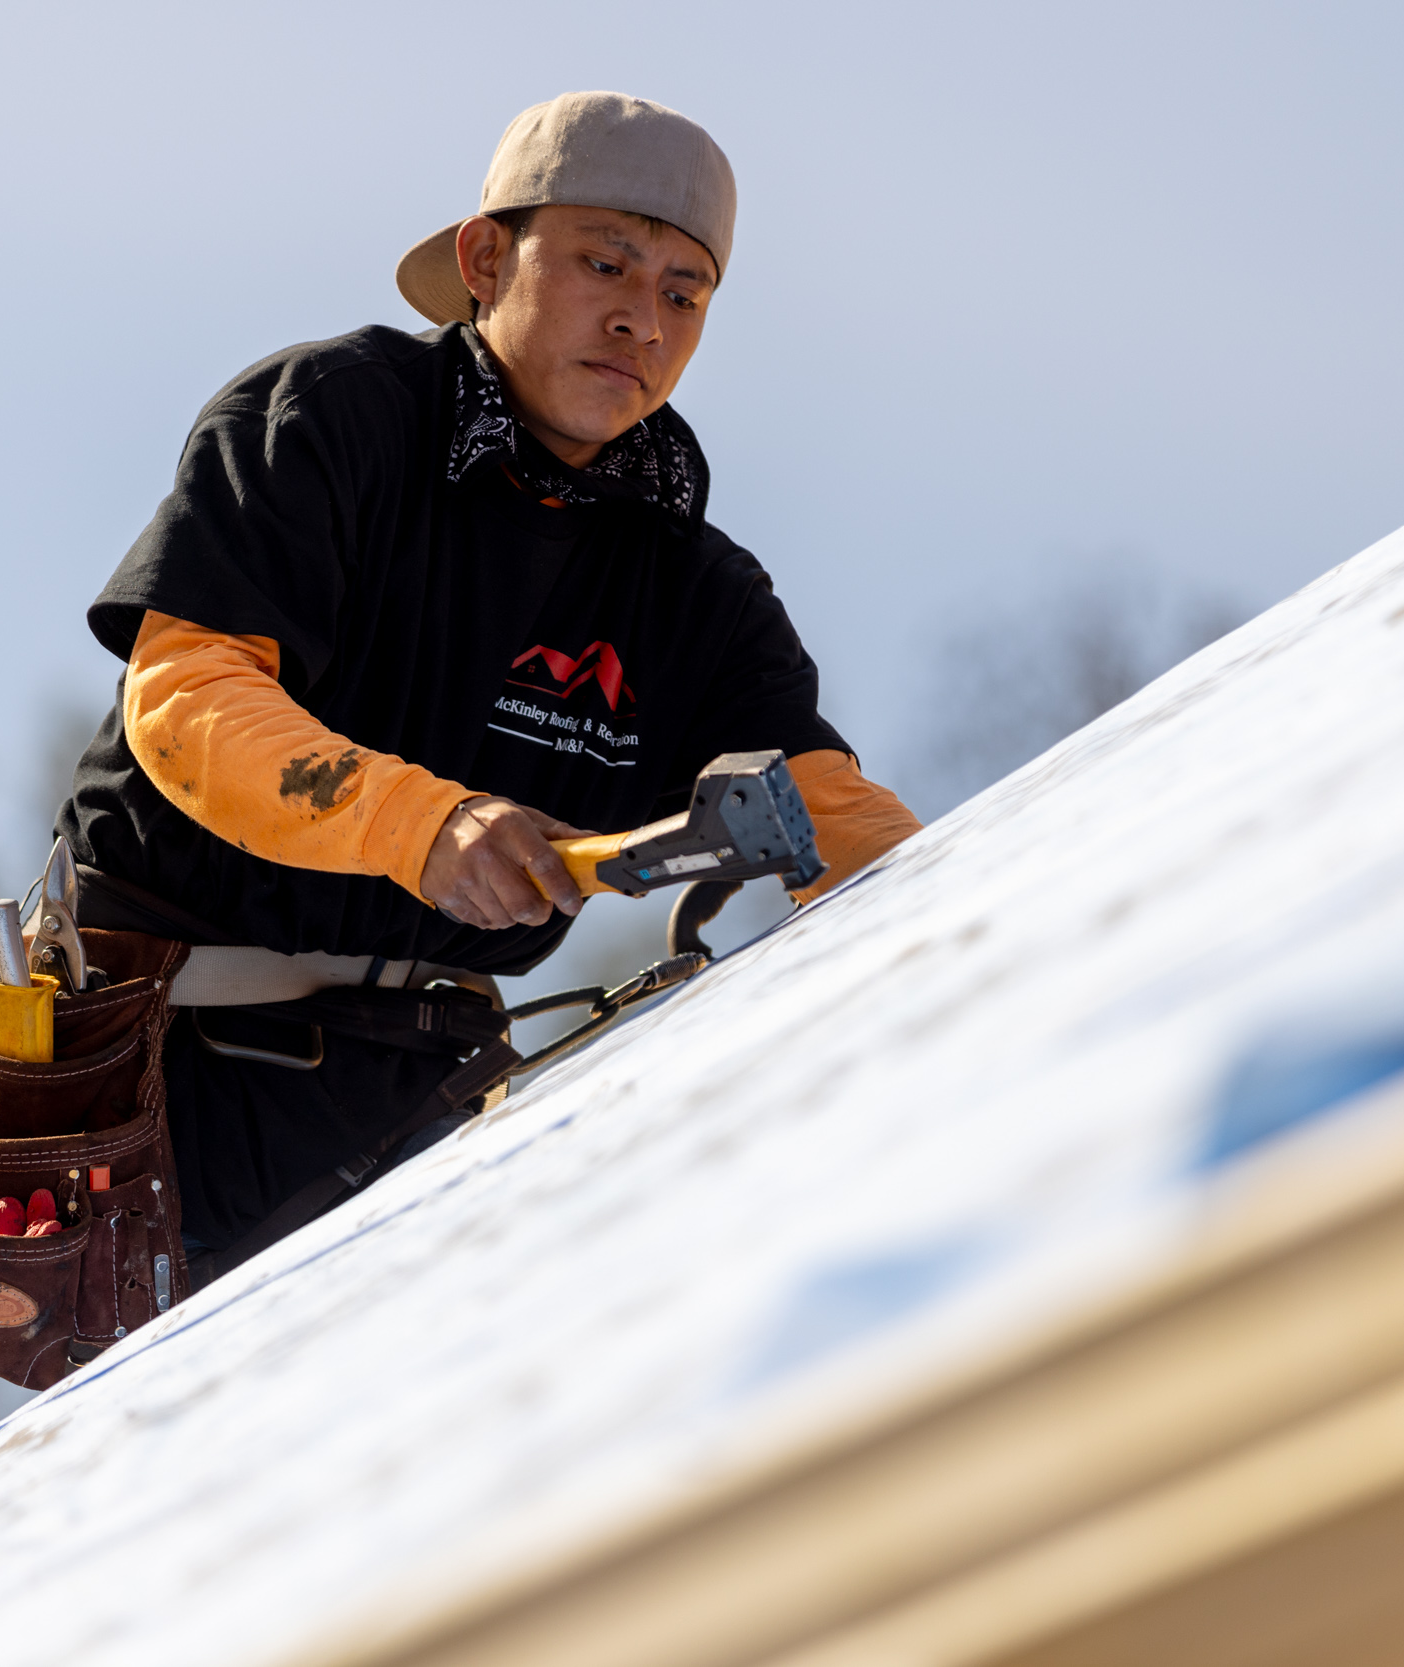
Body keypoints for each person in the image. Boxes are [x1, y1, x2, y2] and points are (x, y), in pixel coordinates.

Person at [57, 91, 922, 1275]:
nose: (641, 318)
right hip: (149, 1087)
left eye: (683, 294)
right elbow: (186, 700)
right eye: (604, 264)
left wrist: (984, 916)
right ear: (483, 260)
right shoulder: (333, 421)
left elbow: (827, 811)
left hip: (416, 1115)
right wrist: (425, 823)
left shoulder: (692, 589)